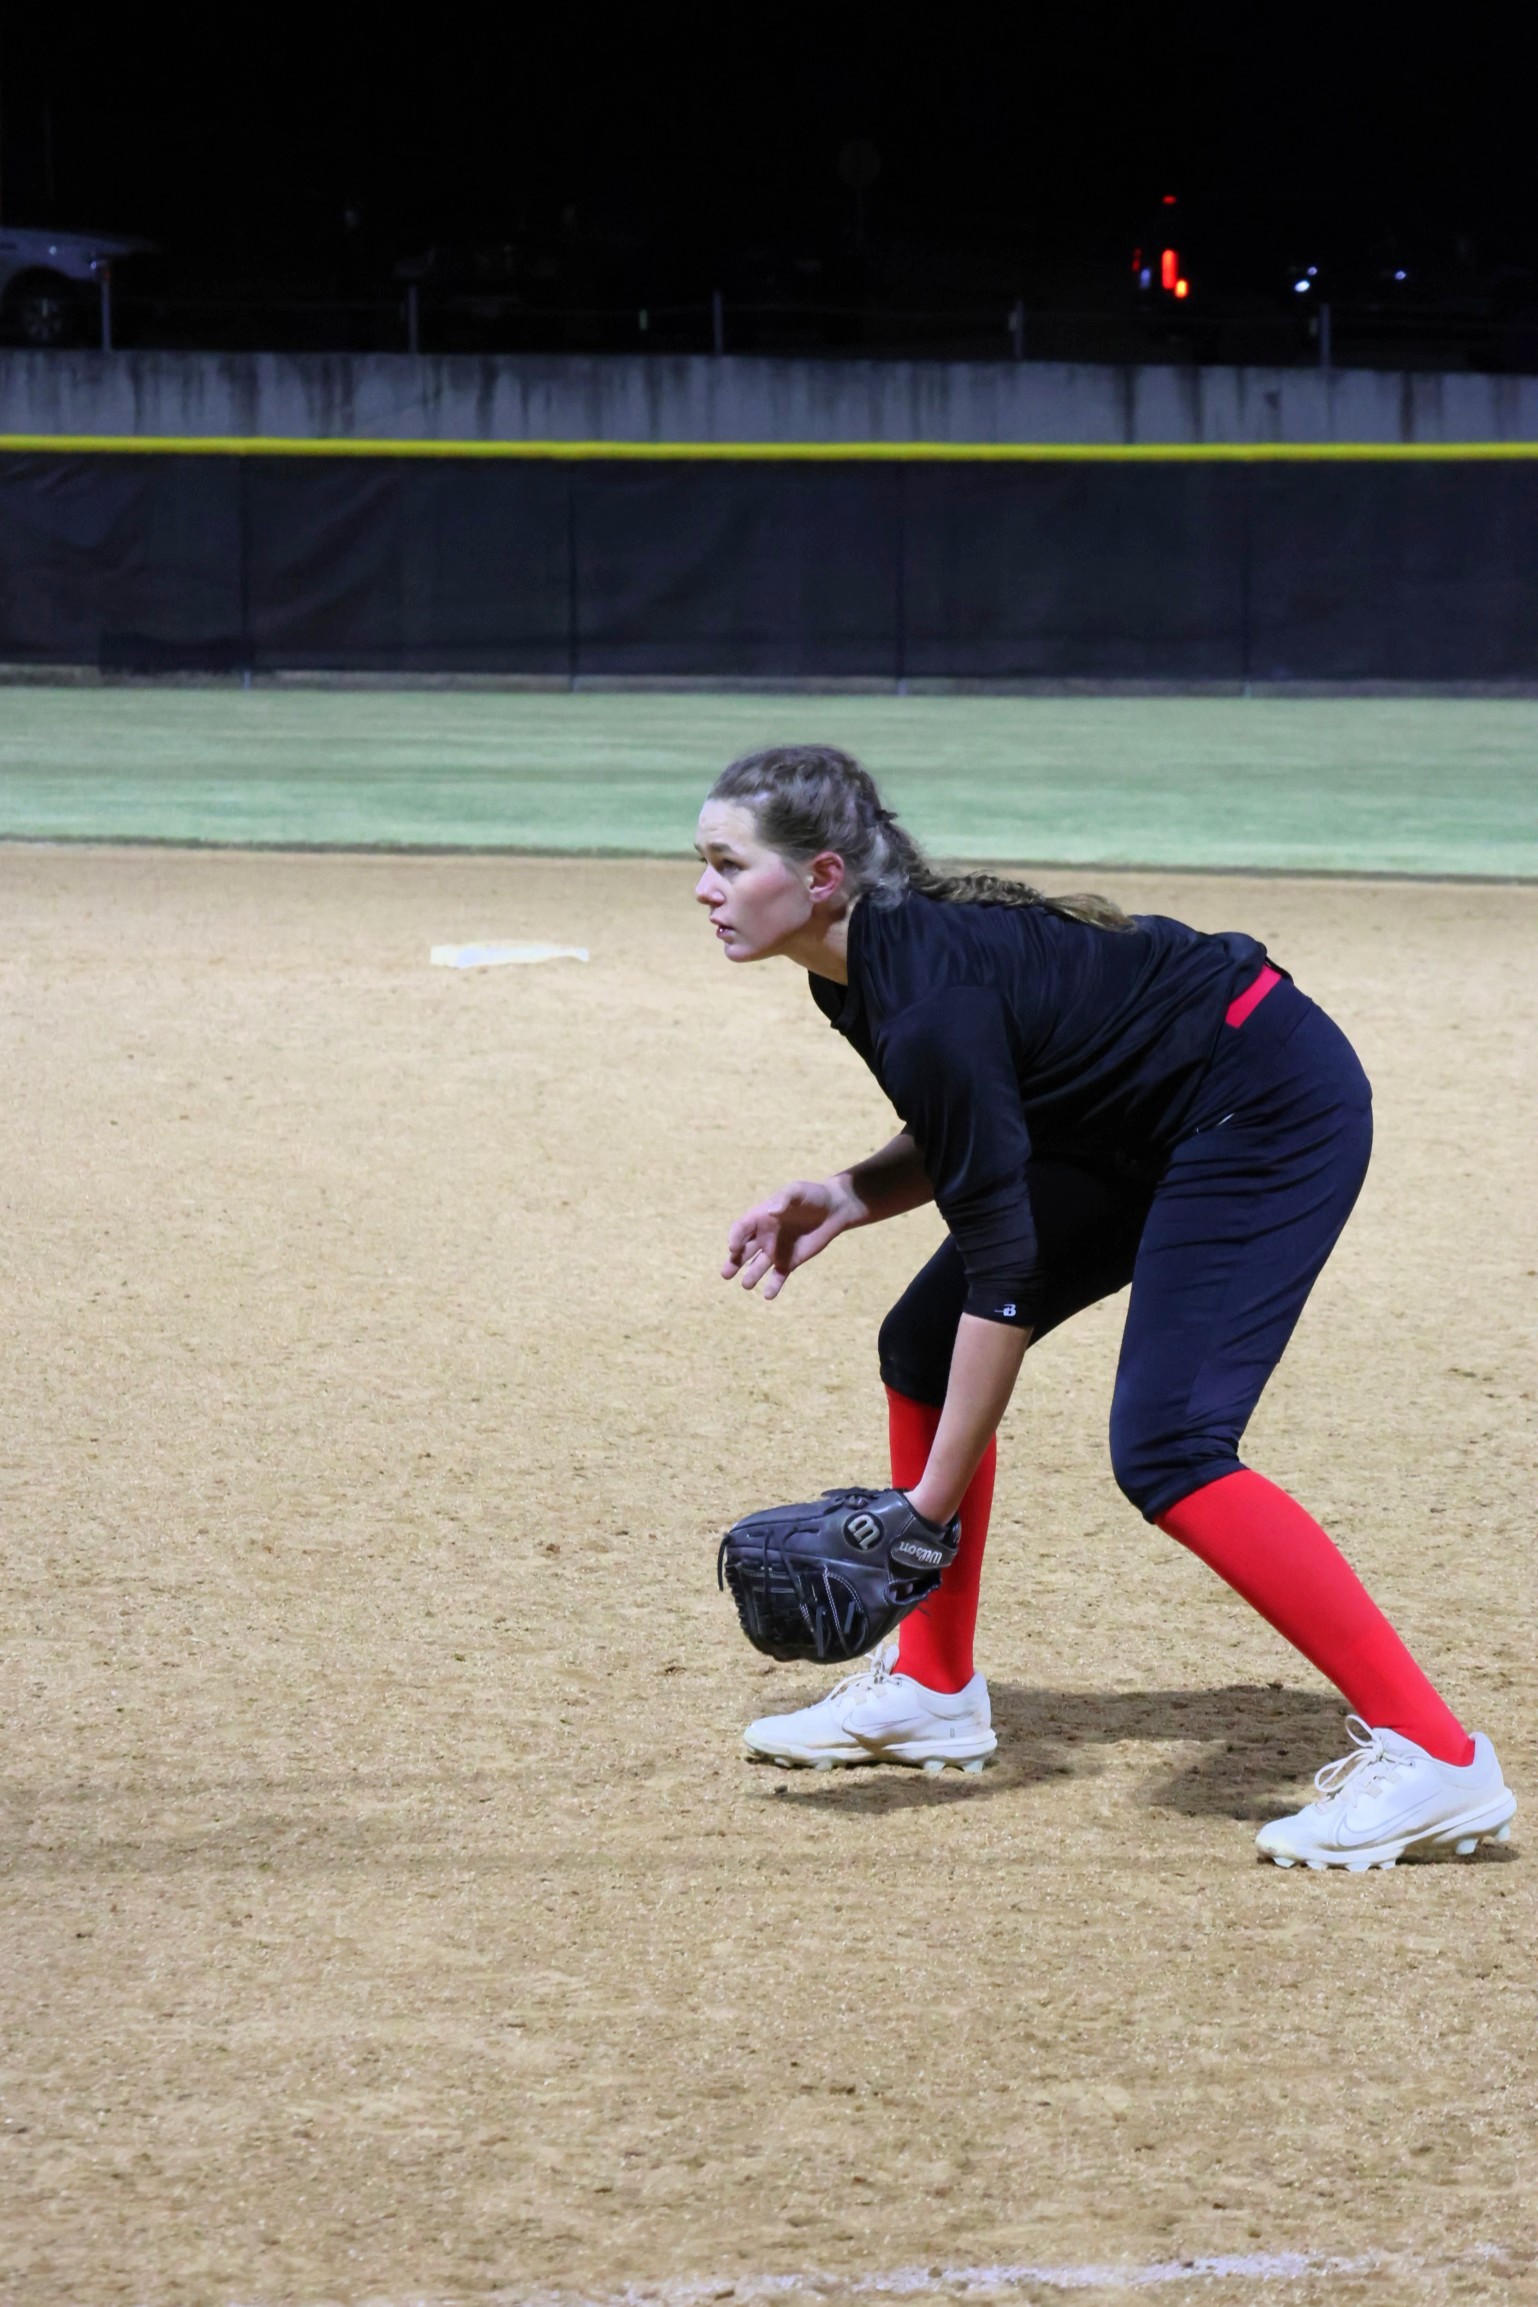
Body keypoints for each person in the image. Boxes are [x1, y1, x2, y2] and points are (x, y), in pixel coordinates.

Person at [695, 744, 1517, 1872]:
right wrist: (849, 1192)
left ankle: (1435, 1757)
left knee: (1168, 1445)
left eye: (725, 864)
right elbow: (980, 1127)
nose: (703, 889)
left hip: (1258, 1104)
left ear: (822, 875)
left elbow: (1006, 1265)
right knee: (921, 1345)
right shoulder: (856, 972)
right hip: (1140, 1119)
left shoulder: (920, 988)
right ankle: (933, 1690)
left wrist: (923, 1513)